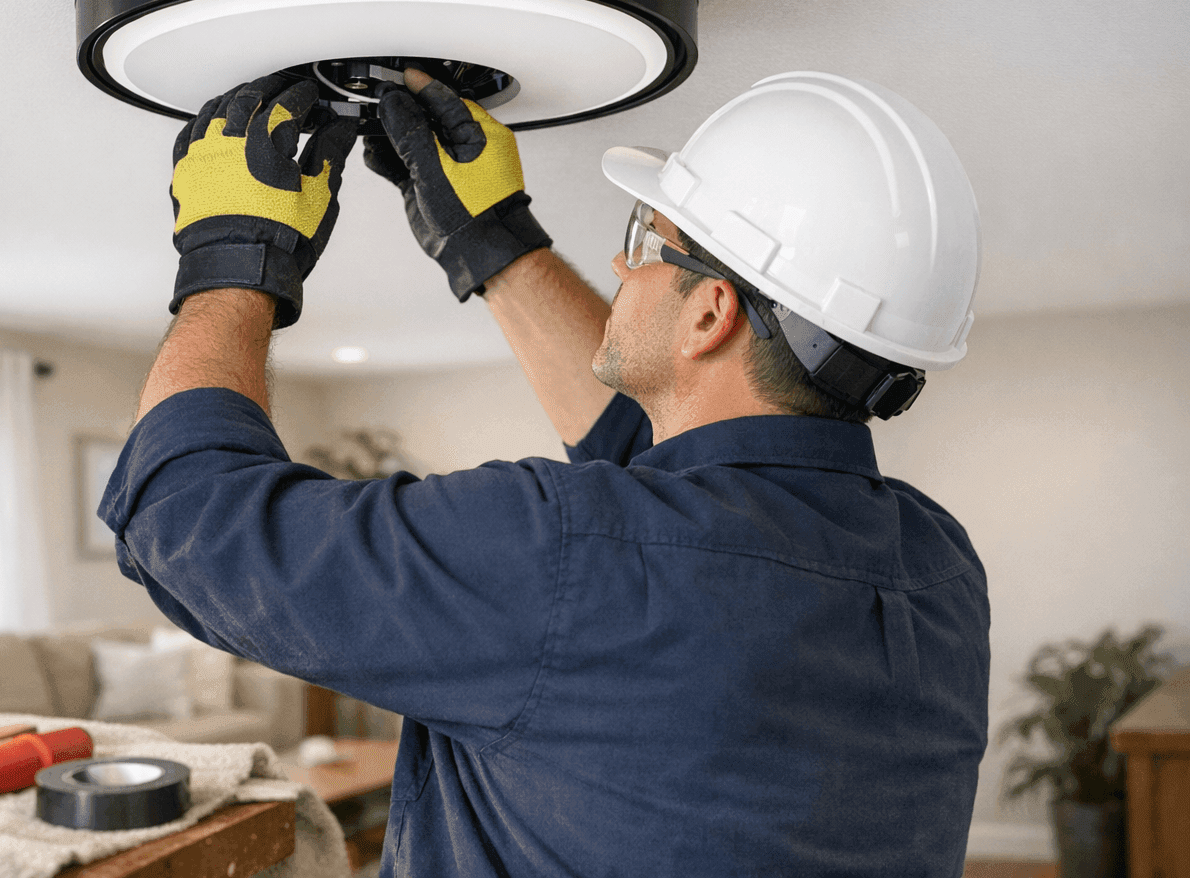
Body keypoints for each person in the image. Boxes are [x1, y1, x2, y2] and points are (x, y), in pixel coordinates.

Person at [101, 67, 989, 876]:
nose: (617, 261)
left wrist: (229, 262)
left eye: (647, 238)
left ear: (710, 312)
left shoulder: (563, 554)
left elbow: (189, 517)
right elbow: (672, 512)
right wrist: (495, 244)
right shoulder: (938, 567)